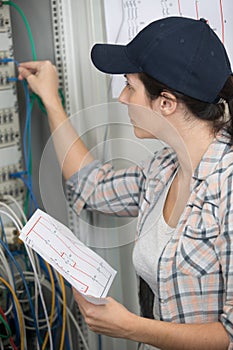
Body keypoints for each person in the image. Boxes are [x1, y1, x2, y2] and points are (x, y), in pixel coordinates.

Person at [18, 16, 233, 350]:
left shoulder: (228, 187)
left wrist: (132, 328)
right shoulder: (163, 169)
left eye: (130, 86)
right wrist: (51, 99)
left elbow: (230, 336)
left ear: (166, 103)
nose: (121, 98)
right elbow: (92, 187)